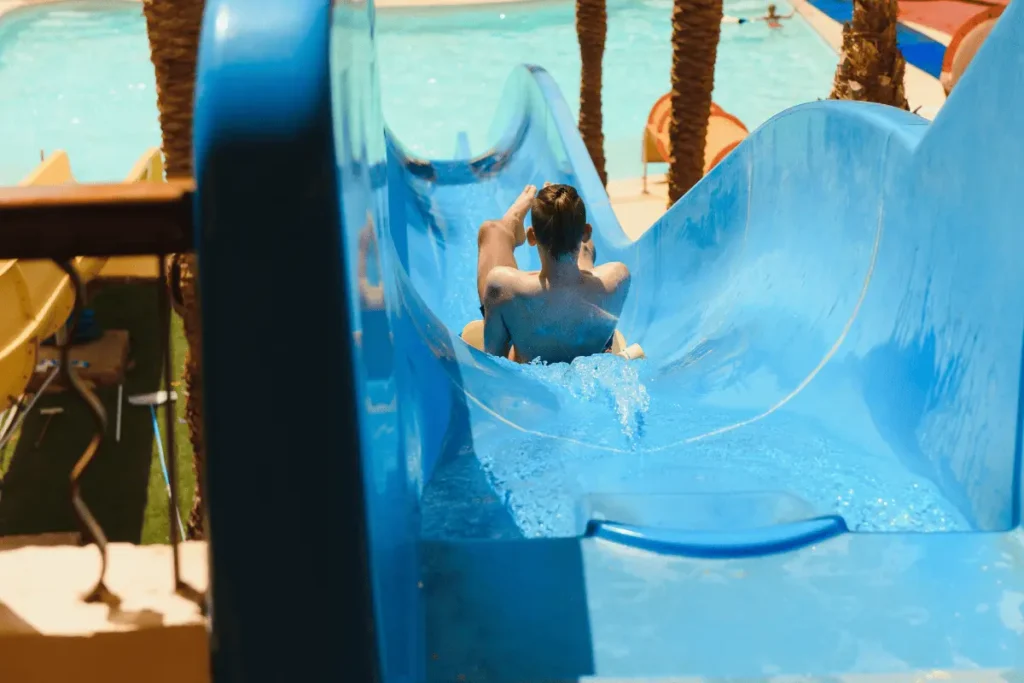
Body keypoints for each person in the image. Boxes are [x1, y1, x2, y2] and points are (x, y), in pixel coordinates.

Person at [461, 183, 643, 364]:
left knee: (492, 231)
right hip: (589, 339)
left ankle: (512, 221)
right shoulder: (619, 277)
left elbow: (495, 362)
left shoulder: (502, 285)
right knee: (585, 254)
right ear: (587, 232)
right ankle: (562, 222)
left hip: (527, 370)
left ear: (532, 237)